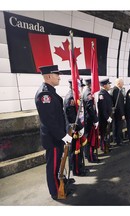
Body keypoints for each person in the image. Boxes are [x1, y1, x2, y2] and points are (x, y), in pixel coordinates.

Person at [35, 65, 73, 200]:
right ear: (49, 76)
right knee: (53, 165)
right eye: (57, 74)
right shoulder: (45, 94)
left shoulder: (50, 91)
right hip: (53, 138)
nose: (59, 77)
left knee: (57, 164)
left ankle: (59, 182)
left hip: (56, 136)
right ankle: (56, 191)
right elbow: (50, 121)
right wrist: (63, 136)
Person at [63, 79, 87, 176]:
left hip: (76, 128)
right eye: (80, 86)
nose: (81, 88)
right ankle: (77, 170)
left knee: (78, 150)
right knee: (75, 151)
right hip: (73, 130)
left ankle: (78, 167)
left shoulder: (75, 96)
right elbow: (72, 118)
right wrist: (80, 127)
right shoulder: (70, 98)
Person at [83, 78, 100, 163]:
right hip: (89, 120)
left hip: (88, 119)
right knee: (90, 139)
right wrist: (95, 119)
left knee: (88, 139)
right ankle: (90, 157)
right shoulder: (88, 94)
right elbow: (90, 108)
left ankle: (88, 155)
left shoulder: (87, 92)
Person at [97, 78, 113, 154]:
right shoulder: (102, 94)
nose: (110, 85)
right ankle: (103, 147)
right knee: (103, 133)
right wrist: (107, 118)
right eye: (108, 84)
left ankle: (107, 145)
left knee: (107, 133)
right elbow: (102, 109)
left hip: (108, 116)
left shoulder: (106, 93)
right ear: (104, 85)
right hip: (104, 118)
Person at [111, 78, 125, 146]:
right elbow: (118, 104)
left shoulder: (117, 90)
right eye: (122, 83)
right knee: (118, 127)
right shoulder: (116, 90)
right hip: (118, 113)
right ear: (119, 83)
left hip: (117, 113)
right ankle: (118, 140)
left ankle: (117, 139)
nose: (123, 84)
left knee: (117, 126)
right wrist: (122, 114)